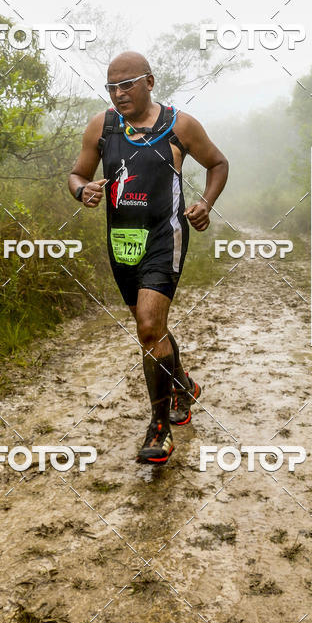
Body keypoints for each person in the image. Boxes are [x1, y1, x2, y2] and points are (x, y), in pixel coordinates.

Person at [68, 51, 228, 464]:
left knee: (148, 325)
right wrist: (81, 190)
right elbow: (77, 174)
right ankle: (183, 385)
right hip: (122, 241)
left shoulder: (180, 126)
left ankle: (159, 429)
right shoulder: (102, 127)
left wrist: (206, 204)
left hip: (165, 236)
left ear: (150, 82)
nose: (119, 94)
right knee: (149, 331)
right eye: (112, 87)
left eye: (127, 85)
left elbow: (218, 163)